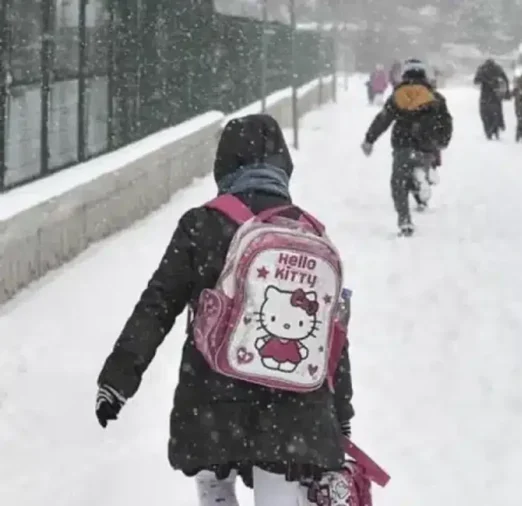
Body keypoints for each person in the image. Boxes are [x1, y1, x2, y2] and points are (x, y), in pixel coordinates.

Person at [94, 114, 355, 506]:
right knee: (283, 488)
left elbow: (158, 304)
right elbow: (330, 333)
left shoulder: (202, 224)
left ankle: (216, 491)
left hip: (212, 399)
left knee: (214, 479)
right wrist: (341, 410)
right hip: (294, 408)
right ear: (283, 166)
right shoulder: (308, 232)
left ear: (224, 165)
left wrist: (118, 378)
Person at [361, 58, 453, 236]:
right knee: (422, 164)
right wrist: (442, 141)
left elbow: (383, 119)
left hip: (403, 145)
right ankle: (424, 177)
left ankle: (404, 220)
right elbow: (446, 122)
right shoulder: (436, 98)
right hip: (427, 146)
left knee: (398, 183)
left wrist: (369, 140)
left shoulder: (397, 96)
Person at [473, 58, 510, 140]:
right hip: (494, 94)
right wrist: (506, 91)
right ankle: (495, 129)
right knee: (495, 113)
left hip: (487, 95)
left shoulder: (482, 69)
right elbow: (505, 79)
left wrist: (485, 80)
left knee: (486, 114)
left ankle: (490, 130)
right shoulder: (497, 69)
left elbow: (476, 80)